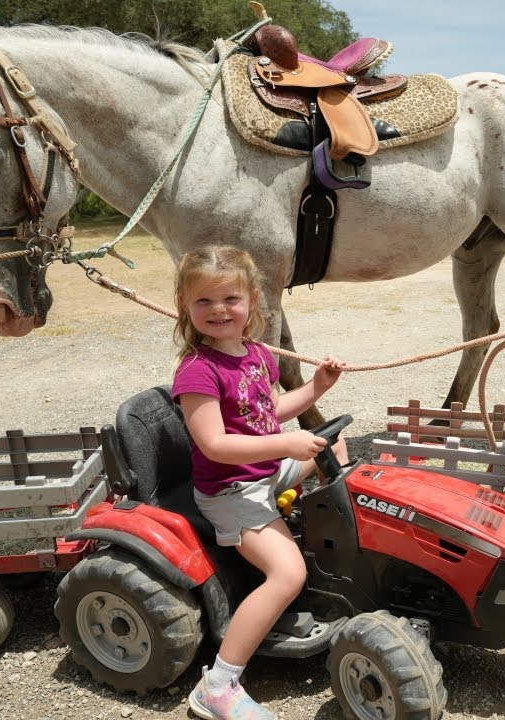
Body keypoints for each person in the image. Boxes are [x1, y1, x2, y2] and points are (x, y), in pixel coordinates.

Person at [171, 245, 349, 720]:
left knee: (338, 448)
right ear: (185, 307)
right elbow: (216, 445)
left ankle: (332, 543)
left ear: (252, 300)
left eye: (229, 298)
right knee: (289, 574)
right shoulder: (197, 371)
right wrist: (286, 446)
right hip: (230, 491)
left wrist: (316, 389)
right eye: (203, 302)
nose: (218, 311)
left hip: (265, 472)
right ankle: (219, 684)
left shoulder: (255, 354)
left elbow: (267, 414)